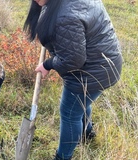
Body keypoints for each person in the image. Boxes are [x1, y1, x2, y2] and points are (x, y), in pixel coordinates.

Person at [23, 0, 123, 159]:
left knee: (70, 113)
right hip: (105, 63)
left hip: (92, 72)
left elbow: (73, 60)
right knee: (81, 102)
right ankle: (87, 133)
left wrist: (48, 64)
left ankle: (63, 156)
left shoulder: (65, 16)